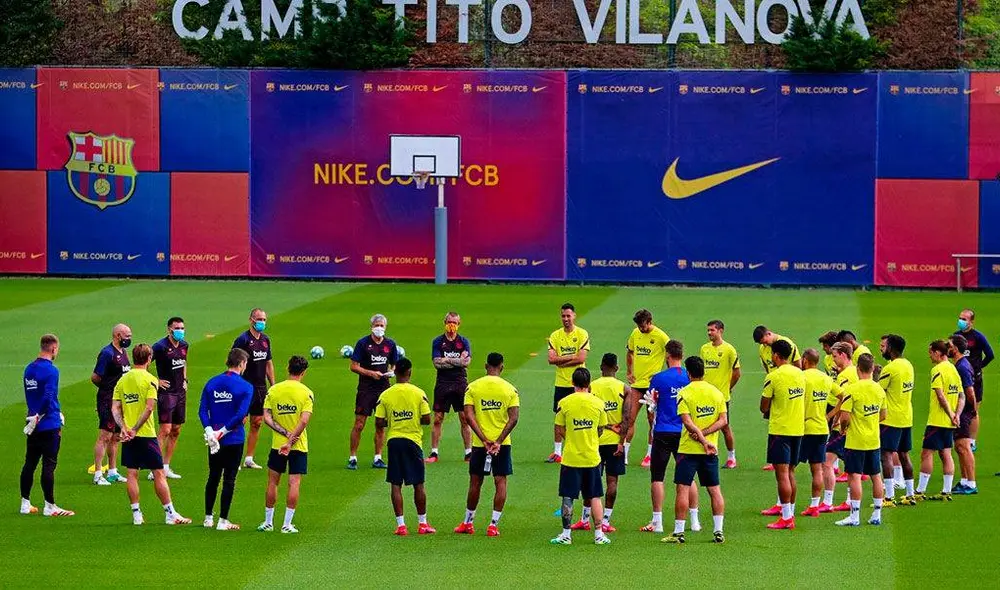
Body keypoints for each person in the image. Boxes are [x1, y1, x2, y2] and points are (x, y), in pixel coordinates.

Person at [112, 344, 191, 526]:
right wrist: (135, 429)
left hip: (128, 435)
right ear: (149, 359)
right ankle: (170, 514)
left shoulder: (122, 380)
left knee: (132, 474)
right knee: (159, 473)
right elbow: (149, 408)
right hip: (145, 434)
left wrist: (124, 428)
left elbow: (115, 408)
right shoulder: (150, 380)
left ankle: (136, 514)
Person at [663, 356, 727, 544]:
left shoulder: (685, 393)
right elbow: (723, 421)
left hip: (689, 450)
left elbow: (687, 421)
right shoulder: (717, 393)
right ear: (703, 372)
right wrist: (706, 438)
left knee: (682, 489)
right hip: (711, 450)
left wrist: (699, 436)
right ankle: (718, 531)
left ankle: (679, 533)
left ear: (688, 373)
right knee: (714, 490)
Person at [455, 352, 519, 537]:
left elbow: (468, 415)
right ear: (502, 367)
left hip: (479, 444)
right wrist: (498, 441)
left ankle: (468, 522)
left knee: (475, 482)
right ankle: (493, 525)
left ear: (485, 366)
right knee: (501, 481)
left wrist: (483, 439)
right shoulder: (510, 389)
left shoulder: (473, 387)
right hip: (502, 444)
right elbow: (514, 418)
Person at [641, 340, 699, 534]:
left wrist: (652, 424)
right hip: (684, 431)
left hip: (663, 431)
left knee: (657, 476)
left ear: (667, 355)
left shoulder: (658, 378)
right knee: (688, 477)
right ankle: (695, 520)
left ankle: (657, 522)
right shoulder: (689, 379)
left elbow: (651, 407)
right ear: (681, 355)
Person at [569, 353, 630, 533]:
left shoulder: (591, 386)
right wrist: (622, 442)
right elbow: (627, 418)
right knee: (612, 481)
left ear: (601, 366)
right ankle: (605, 520)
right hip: (614, 442)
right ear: (617, 368)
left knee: (591, 482)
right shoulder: (624, 388)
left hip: (593, 441)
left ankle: (585, 519)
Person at [374, 358, 434, 536]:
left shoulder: (385, 395)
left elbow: (378, 422)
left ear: (395, 373)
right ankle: (422, 524)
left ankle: (401, 526)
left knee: (395, 483)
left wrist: (394, 420)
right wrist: (411, 418)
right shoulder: (418, 393)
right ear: (410, 372)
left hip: (394, 441)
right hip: (413, 441)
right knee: (418, 484)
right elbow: (427, 419)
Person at [551, 368, 610, 546]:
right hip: (592, 456)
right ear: (589, 384)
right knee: (595, 496)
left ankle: (566, 534)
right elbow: (601, 428)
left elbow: (559, 428)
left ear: (572, 383)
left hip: (571, 457)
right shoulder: (598, 403)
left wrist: (571, 438)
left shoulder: (564, 402)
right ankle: (599, 534)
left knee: (568, 496)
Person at [258, 356, 314, 534]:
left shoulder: (274, 390)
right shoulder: (307, 392)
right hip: (298, 445)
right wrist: (291, 440)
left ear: (288, 368)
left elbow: (266, 417)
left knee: (273, 482)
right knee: (294, 483)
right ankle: (287, 525)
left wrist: (284, 435)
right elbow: (304, 420)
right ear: (303, 372)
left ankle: (268, 522)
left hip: (277, 445)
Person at [199, 348, 253, 531]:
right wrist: (221, 432)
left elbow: (202, 411)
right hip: (234, 439)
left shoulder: (212, 382)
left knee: (213, 476)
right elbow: (240, 415)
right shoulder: (246, 387)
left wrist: (210, 432)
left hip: (213, 440)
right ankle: (223, 521)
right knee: (229, 478)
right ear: (241, 364)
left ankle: (208, 518)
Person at [21, 334, 74, 517]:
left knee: (30, 462)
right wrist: (42, 415)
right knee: (49, 464)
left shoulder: (29, 369)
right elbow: (49, 395)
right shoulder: (51, 371)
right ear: (53, 349)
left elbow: (32, 396)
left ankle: (25, 503)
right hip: (48, 423)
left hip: (32, 424)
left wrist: (33, 416)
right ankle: (50, 506)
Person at [836, 353, 887, 526]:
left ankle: (855, 516)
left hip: (856, 440)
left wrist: (844, 430)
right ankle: (877, 514)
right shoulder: (879, 389)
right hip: (874, 440)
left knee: (855, 476)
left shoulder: (852, 389)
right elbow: (883, 415)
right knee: (876, 476)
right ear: (872, 369)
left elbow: (844, 417)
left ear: (858, 369)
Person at [759, 339, 805, 530]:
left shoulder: (773, 376)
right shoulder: (801, 374)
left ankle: (786, 518)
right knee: (791, 472)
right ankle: (790, 514)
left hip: (780, 430)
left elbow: (764, 405)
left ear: (776, 355)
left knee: (782, 475)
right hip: (798, 429)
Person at [915, 340, 965, 501]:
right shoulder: (953, 369)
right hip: (950, 422)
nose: (929, 355)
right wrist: (957, 415)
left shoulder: (937, 370)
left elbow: (940, 394)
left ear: (937, 352)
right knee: (946, 453)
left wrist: (951, 414)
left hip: (937, 420)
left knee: (926, 453)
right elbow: (961, 396)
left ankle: (920, 491)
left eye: (931, 352)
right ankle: (946, 491)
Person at [348, 314, 399, 470]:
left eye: (382, 326)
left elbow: (394, 364)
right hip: (366, 388)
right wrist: (371, 373)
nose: (379, 328)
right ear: (372, 326)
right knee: (359, 423)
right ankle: (352, 457)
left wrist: (391, 372)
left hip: (383, 388)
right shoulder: (363, 344)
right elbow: (353, 366)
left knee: (380, 424)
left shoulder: (390, 344)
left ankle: (378, 457)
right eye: (377, 325)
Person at [546, 303, 590, 463]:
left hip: (579, 384)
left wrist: (561, 361)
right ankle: (558, 452)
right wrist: (572, 357)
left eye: (568, 316)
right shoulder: (555, 336)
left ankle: (582, 448)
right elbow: (551, 359)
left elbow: (581, 358)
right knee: (559, 417)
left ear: (574, 316)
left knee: (582, 417)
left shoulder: (582, 333)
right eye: (563, 316)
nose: (565, 319)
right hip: (561, 384)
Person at [625, 309, 669, 468]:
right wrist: (629, 372)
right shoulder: (635, 333)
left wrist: (665, 375)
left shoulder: (661, 337)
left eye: (643, 326)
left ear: (650, 322)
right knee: (629, 418)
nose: (641, 329)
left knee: (652, 420)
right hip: (637, 385)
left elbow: (672, 355)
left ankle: (650, 455)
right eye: (638, 326)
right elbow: (629, 352)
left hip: (653, 386)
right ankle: (624, 454)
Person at [233, 308, 275, 470]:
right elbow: (233, 362)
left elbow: (268, 363)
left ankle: (249, 458)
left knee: (257, 422)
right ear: (251, 320)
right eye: (259, 319)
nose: (262, 322)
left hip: (260, 387)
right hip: (244, 387)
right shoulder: (243, 340)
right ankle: (235, 458)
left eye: (264, 319)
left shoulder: (265, 340)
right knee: (240, 421)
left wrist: (273, 384)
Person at [877, 334, 916, 506]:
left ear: (891, 348)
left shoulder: (890, 369)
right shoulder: (908, 365)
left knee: (886, 455)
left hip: (890, 419)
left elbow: (878, 392)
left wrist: (875, 376)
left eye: (884, 346)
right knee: (904, 455)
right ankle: (910, 494)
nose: (882, 349)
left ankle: (889, 496)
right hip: (906, 417)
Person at [90, 323, 132, 486]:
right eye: (127, 336)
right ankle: (98, 474)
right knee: (105, 436)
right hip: (108, 400)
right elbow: (95, 377)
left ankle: (113, 472)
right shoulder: (107, 353)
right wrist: (108, 390)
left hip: (120, 401)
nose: (129, 339)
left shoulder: (123, 352)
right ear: (117, 336)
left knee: (116, 436)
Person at [428, 311, 472, 463]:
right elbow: (436, 363)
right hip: (443, 383)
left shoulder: (464, 341)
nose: (452, 325)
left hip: (460, 382)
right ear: (444, 322)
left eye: (455, 322)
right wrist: (456, 360)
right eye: (449, 322)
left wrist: (446, 359)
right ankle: (434, 452)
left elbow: (466, 362)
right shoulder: (438, 342)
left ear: (459, 324)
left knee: (464, 418)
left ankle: (468, 452)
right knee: (438, 418)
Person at [150, 316, 188, 480]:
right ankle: (154, 467)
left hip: (180, 392)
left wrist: (185, 379)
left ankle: (165, 466)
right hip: (166, 394)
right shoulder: (159, 347)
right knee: (165, 430)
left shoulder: (185, 345)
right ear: (169, 329)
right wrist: (156, 381)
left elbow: (184, 363)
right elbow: (142, 364)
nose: (180, 331)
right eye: (177, 328)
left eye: (182, 328)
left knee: (176, 430)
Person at [700, 320, 741, 469]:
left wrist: (728, 387)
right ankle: (705, 452)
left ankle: (731, 457)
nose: (710, 333)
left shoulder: (729, 350)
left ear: (720, 331)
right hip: (705, 395)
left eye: (712, 330)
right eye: (708, 330)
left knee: (724, 427)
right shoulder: (704, 349)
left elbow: (737, 373)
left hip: (722, 397)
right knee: (703, 423)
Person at [799, 349, 833, 517]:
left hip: (803, 429)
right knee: (817, 469)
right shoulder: (826, 378)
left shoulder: (801, 377)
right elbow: (843, 396)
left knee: (787, 468)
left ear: (805, 360)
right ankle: (814, 506)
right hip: (821, 428)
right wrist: (829, 416)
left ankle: (783, 505)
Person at [825, 342, 858, 509]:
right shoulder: (855, 371)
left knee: (827, 462)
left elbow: (844, 399)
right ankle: (847, 500)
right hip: (855, 423)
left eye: (835, 356)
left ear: (844, 355)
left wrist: (832, 417)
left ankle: (828, 502)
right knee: (851, 463)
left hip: (843, 426)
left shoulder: (845, 375)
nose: (833, 360)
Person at [954, 308, 993, 452]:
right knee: (958, 405)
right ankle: (959, 434)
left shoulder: (978, 337)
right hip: (958, 377)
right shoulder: (956, 336)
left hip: (974, 379)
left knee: (974, 410)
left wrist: (978, 367)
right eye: (960, 318)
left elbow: (990, 355)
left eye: (964, 319)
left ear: (972, 321)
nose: (961, 321)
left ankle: (972, 441)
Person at [949, 335, 979, 495]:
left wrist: (972, 411)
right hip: (962, 411)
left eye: (950, 345)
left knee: (964, 447)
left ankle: (971, 483)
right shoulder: (960, 364)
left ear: (956, 348)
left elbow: (970, 391)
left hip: (964, 411)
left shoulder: (962, 367)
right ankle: (964, 480)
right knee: (960, 447)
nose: (948, 348)